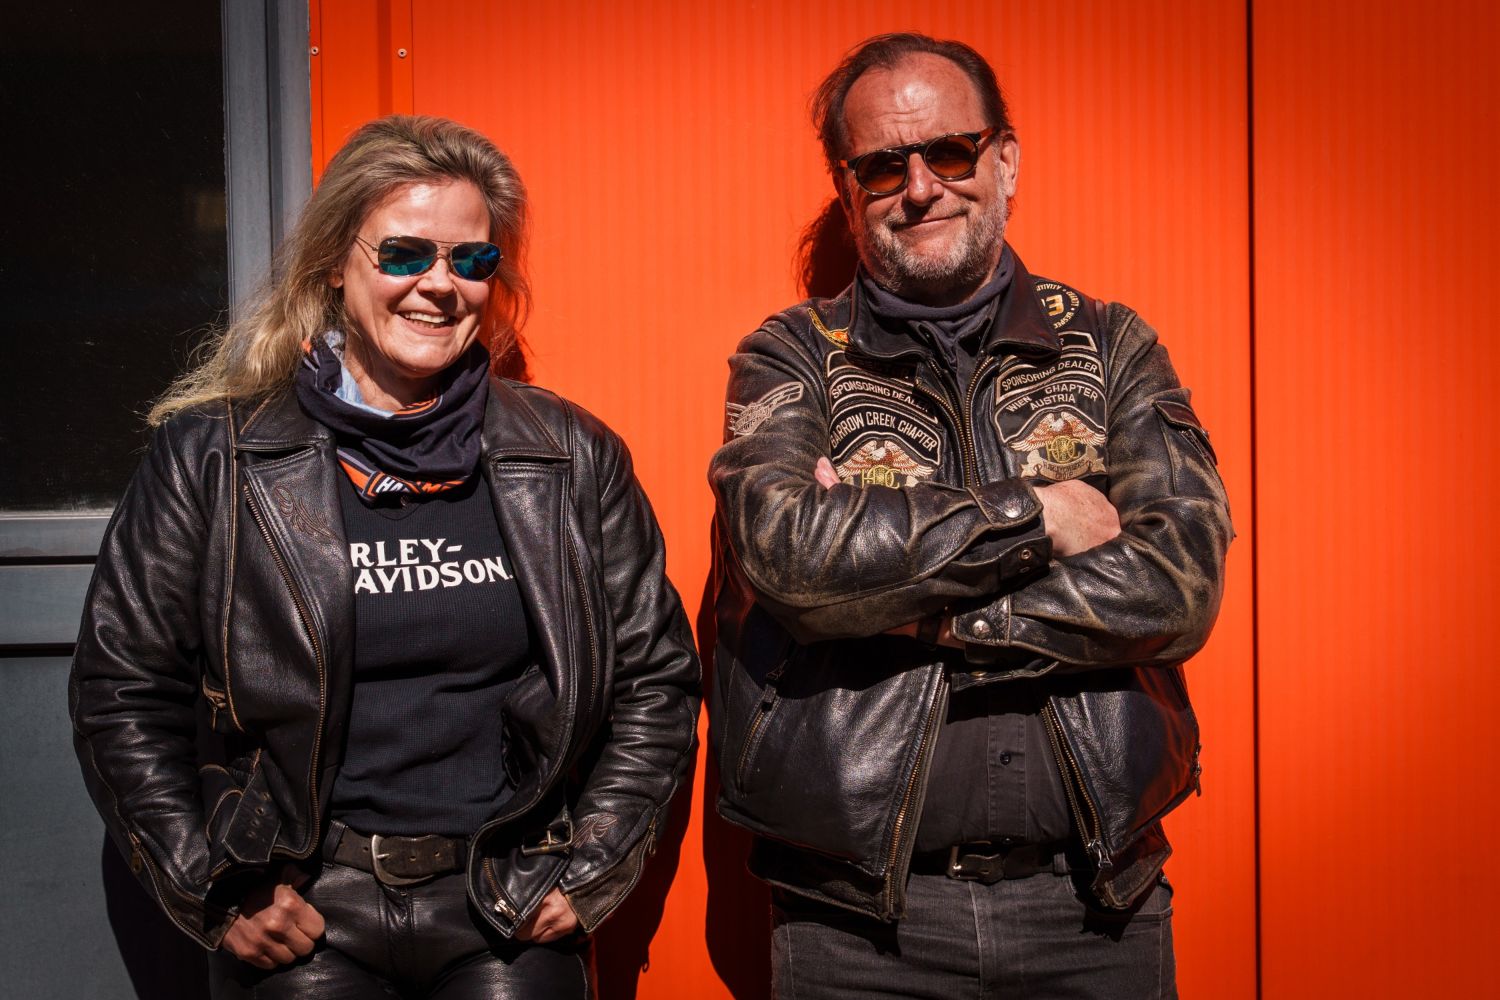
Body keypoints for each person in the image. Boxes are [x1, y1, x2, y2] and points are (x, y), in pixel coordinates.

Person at [70, 115, 700, 999]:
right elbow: (121, 688)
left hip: (502, 898)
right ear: (337, 262)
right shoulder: (215, 458)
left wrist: (592, 864)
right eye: (404, 253)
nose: (439, 285)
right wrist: (214, 885)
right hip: (304, 903)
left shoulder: (569, 455)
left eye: (471, 260)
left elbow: (655, 679)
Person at [709, 33, 1232, 998]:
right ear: (847, 189)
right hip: (855, 928)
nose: (921, 188)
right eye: (883, 166)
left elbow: (1180, 584)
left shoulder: (1112, 346)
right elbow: (790, 557)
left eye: (950, 152)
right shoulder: (789, 356)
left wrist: (912, 607)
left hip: (1097, 909)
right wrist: (1042, 515)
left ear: (1006, 162)